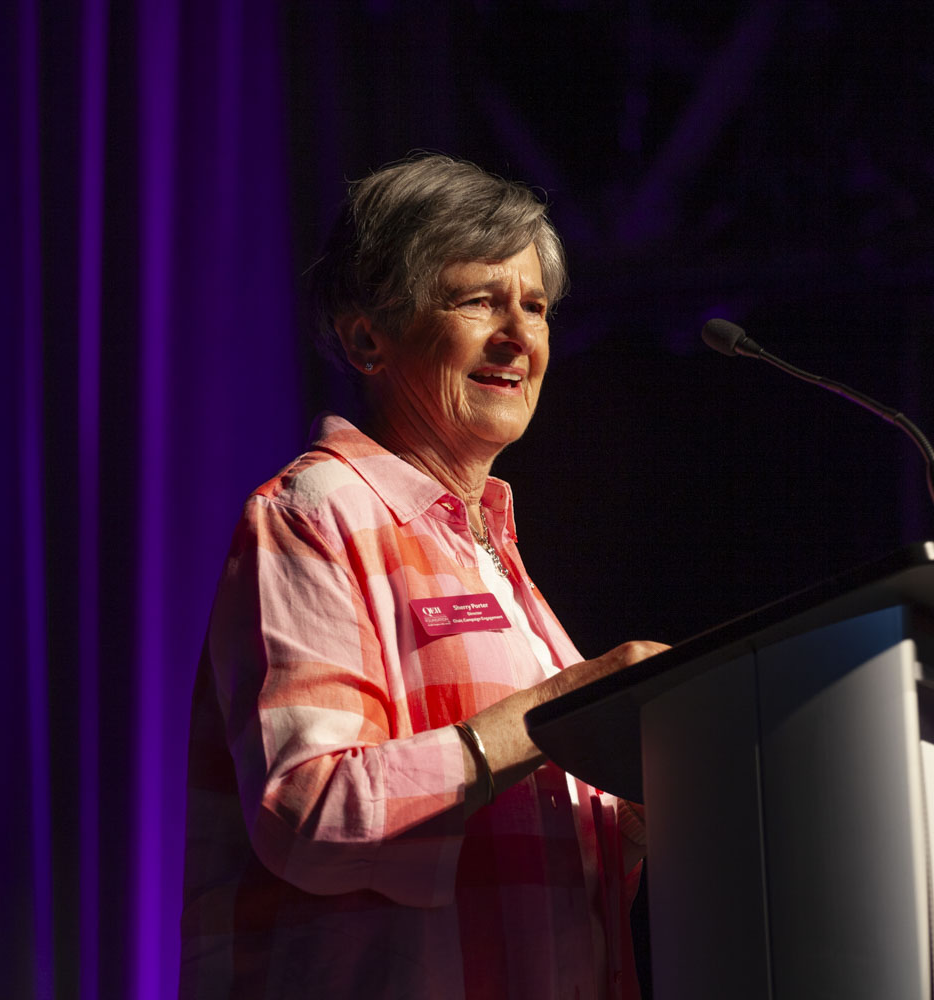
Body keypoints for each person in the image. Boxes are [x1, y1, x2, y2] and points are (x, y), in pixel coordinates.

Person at [178, 154, 667, 999]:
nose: (519, 336)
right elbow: (310, 809)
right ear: (367, 336)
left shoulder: (499, 562)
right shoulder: (315, 512)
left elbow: (524, 857)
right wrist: (567, 711)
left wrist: (654, 793)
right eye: (479, 300)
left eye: (537, 308)